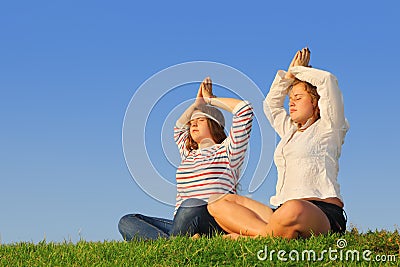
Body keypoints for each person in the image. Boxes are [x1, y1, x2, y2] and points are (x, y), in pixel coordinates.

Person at [207, 48, 349, 239]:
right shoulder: (289, 131)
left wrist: (299, 70)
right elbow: (271, 105)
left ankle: (255, 236)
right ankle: (267, 234)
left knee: (293, 208)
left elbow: (328, 81)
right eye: (290, 99)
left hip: (320, 212)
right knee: (219, 202)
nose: (291, 103)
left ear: (316, 102)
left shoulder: (329, 127)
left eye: (298, 98)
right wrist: (289, 76)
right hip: (281, 212)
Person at [118, 77, 254, 240]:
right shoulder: (188, 153)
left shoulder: (228, 151)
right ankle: (177, 243)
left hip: (213, 221)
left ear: (214, 124)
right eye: (192, 122)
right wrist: (196, 105)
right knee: (127, 221)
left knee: (191, 205)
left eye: (201, 120)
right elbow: (178, 128)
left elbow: (244, 110)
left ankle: (176, 243)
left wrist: (211, 100)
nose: (193, 124)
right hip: (182, 224)